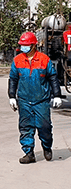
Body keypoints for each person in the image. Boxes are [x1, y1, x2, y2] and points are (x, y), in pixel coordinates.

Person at [8, 31, 62, 164]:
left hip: (41, 101)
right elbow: (13, 79)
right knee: (25, 127)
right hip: (24, 101)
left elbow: (53, 78)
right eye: (22, 45)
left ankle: (47, 147)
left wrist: (57, 95)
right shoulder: (18, 60)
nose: (23, 48)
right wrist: (12, 96)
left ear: (33, 46)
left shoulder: (44, 60)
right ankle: (29, 153)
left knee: (45, 128)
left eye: (26, 45)